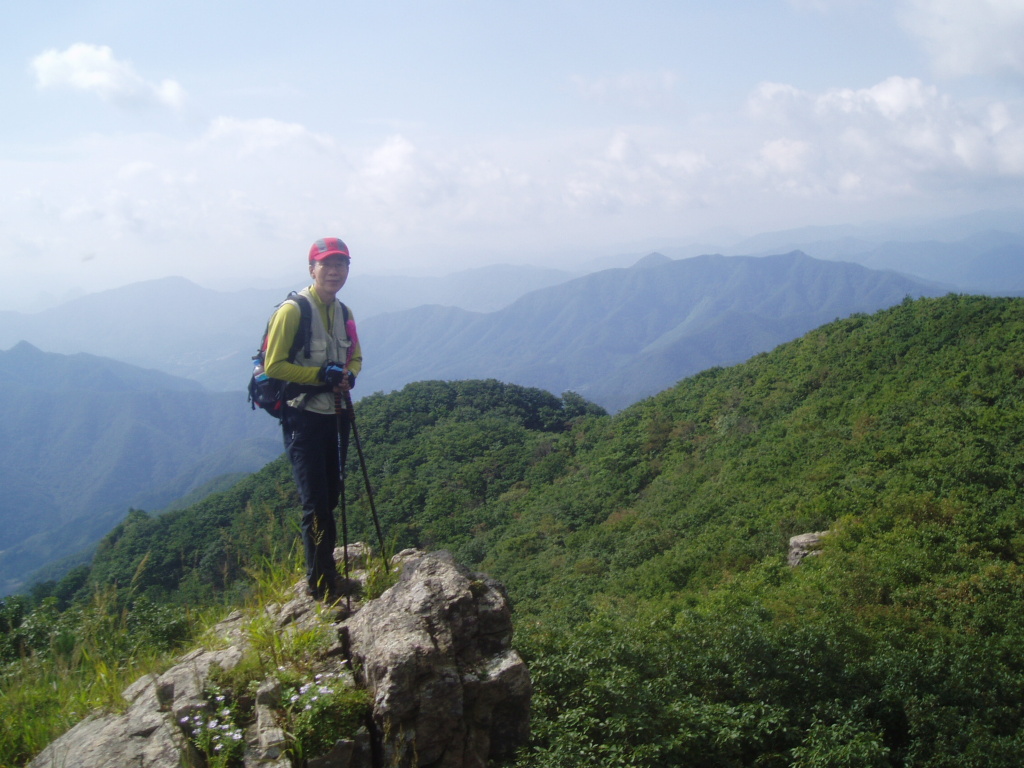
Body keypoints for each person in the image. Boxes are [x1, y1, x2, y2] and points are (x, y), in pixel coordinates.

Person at [263, 237, 362, 601]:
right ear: (312, 269)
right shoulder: (293, 311)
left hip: (334, 416)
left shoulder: (345, 312)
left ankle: (328, 573)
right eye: (327, 265)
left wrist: (348, 375)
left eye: (342, 265)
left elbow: (356, 356)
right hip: (302, 418)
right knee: (316, 504)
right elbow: (275, 366)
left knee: (330, 497)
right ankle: (320, 586)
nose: (335, 272)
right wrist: (322, 375)